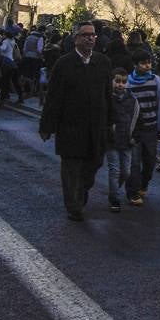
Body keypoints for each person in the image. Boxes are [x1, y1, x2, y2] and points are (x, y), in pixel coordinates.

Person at [39, 23, 113, 221]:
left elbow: (108, 94)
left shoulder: (103, 63)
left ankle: (81, 190)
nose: (90, 39)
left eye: (93, 35)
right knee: (71, 168)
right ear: (76, 39)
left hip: (95, 127)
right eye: (85, 35)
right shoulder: (64, 64)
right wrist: (47, 126)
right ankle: (73, 205)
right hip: (71, 128)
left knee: (94, 164)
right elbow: (54, 98)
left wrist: (111, 121)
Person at [124, 50, 160, 205]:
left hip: (151, 128)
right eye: (144, 63)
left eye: (149, 62)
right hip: (135, 129)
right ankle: (132, 192)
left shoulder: (156, 82)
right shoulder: (128, 84)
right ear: (135, 65)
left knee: (150, 160)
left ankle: (143, 184)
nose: (147, 66)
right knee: (135, 162)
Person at [105, 67, 138, 214]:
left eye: (123, 82)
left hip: (127, 140)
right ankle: (115, 199)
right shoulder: (107, 99)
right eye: (117, 81)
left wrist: (135, 136)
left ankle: (114, 191)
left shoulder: (132, 99)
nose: (120, 84)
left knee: (126, 171)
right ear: (112, 81)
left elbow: (138, 119)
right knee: (115, 170)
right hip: (111, 141)